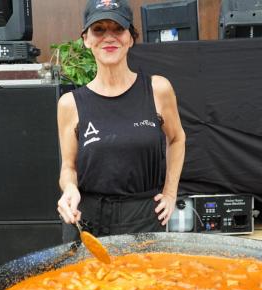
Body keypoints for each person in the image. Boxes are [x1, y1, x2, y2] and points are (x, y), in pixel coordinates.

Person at [56, 0, 186, 241]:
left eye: (117, 28)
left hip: (143, 218)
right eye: (99, 29)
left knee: (144, 280)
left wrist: (170, 192)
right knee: (83, 281)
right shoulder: (70, 103)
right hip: (87, 220)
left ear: (131, 38)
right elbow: (68, 167)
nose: (109, 37)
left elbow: (177, 139)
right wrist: (70, 189)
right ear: (86, 39)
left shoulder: (157, 89)